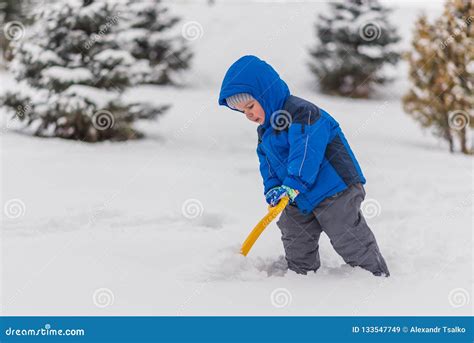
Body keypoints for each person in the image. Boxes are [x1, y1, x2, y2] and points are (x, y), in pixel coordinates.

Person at [218, 55, 390, 277]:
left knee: (344, 231)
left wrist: (293, 183)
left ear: (266, 94)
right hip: (296, 193)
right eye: (243, 112)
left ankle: (374, 275)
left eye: (250, 105)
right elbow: (267, 164)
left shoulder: (302, 113)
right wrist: (272, 188)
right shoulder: (265, 133)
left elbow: (307, 151)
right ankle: (301, 276)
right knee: (294, 231)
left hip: (334, 188)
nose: (249, 114)